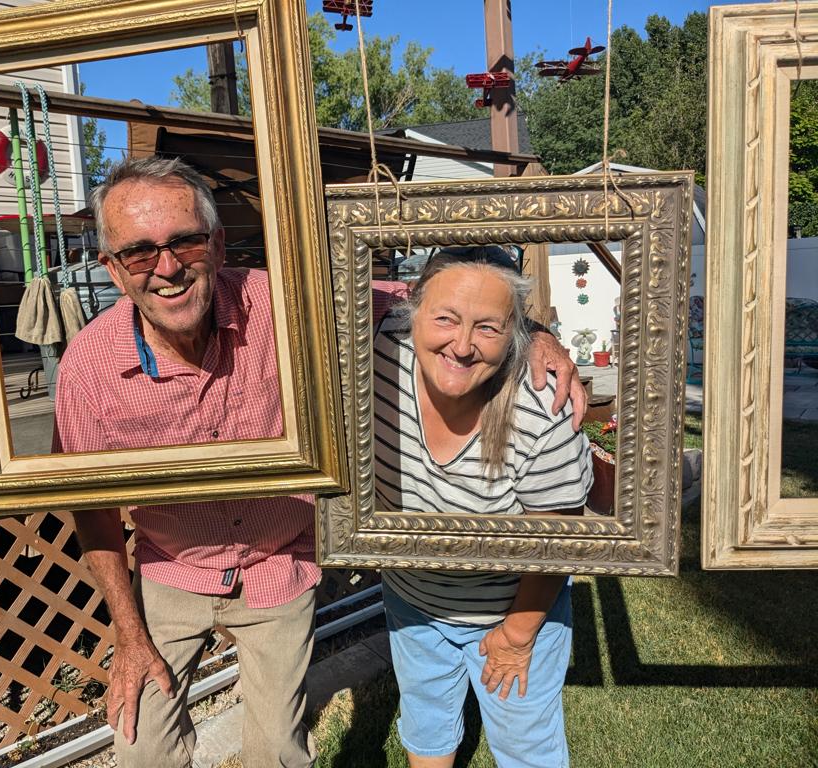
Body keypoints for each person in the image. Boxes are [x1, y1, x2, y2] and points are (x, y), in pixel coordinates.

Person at [53, 156, 586, 768]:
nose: (168, 267)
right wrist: (127, 633)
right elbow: (91, 507)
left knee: (276, 752)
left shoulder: (285, 305)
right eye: (140, 253)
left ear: (217, 245)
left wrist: (531, 332)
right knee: (142, 749)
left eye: (185, 242)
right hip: (172, 567)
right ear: (112, 268)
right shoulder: (87, 368)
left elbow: (431, 304)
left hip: (279, 563)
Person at [375, 246, 593, 768]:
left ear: (515, 331)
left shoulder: (540, 409)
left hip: (511, 609)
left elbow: (554, 545)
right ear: (412, 308)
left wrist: (516, 637)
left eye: (488, 328)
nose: (462, 345)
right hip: (412, 597)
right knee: (425, 721)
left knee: (525, 746)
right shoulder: (380, 350)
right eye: (445, 319)